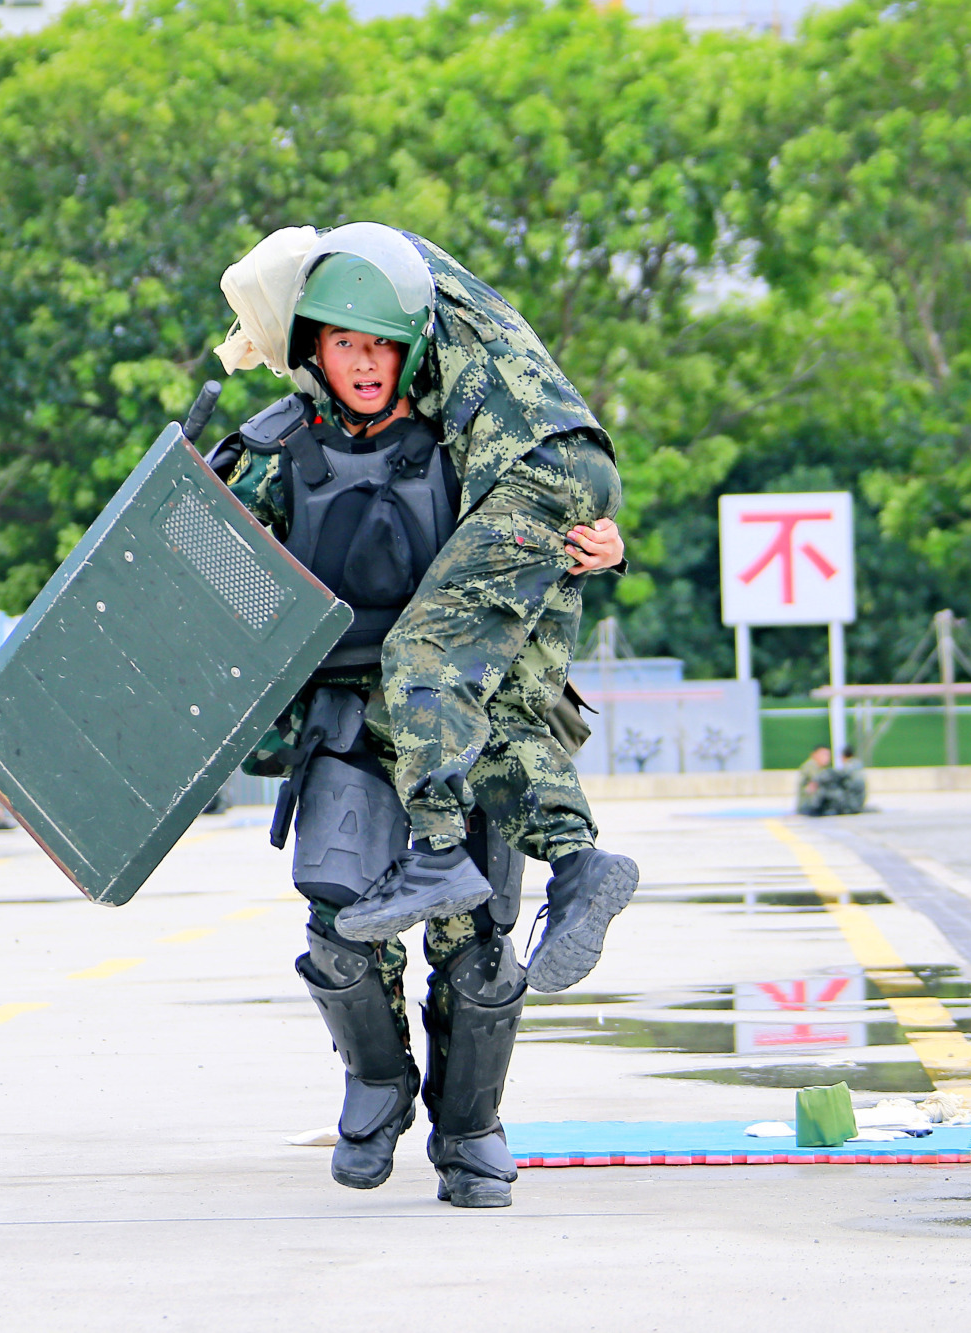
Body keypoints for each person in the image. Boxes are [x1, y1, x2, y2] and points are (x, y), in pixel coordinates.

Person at [209, 227, 626, 1207]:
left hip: (459, 717)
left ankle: (470, 1127)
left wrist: (605, 544)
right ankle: (376, 1083)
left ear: (409, 342)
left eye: (380, 342)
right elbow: (201, 582)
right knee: (337, 925)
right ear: (311, 348)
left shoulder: (469, 441)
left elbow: (544, 524)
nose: (364, 361)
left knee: (479, 943)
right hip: (349, 714)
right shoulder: (271, 452)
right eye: (341, 343)